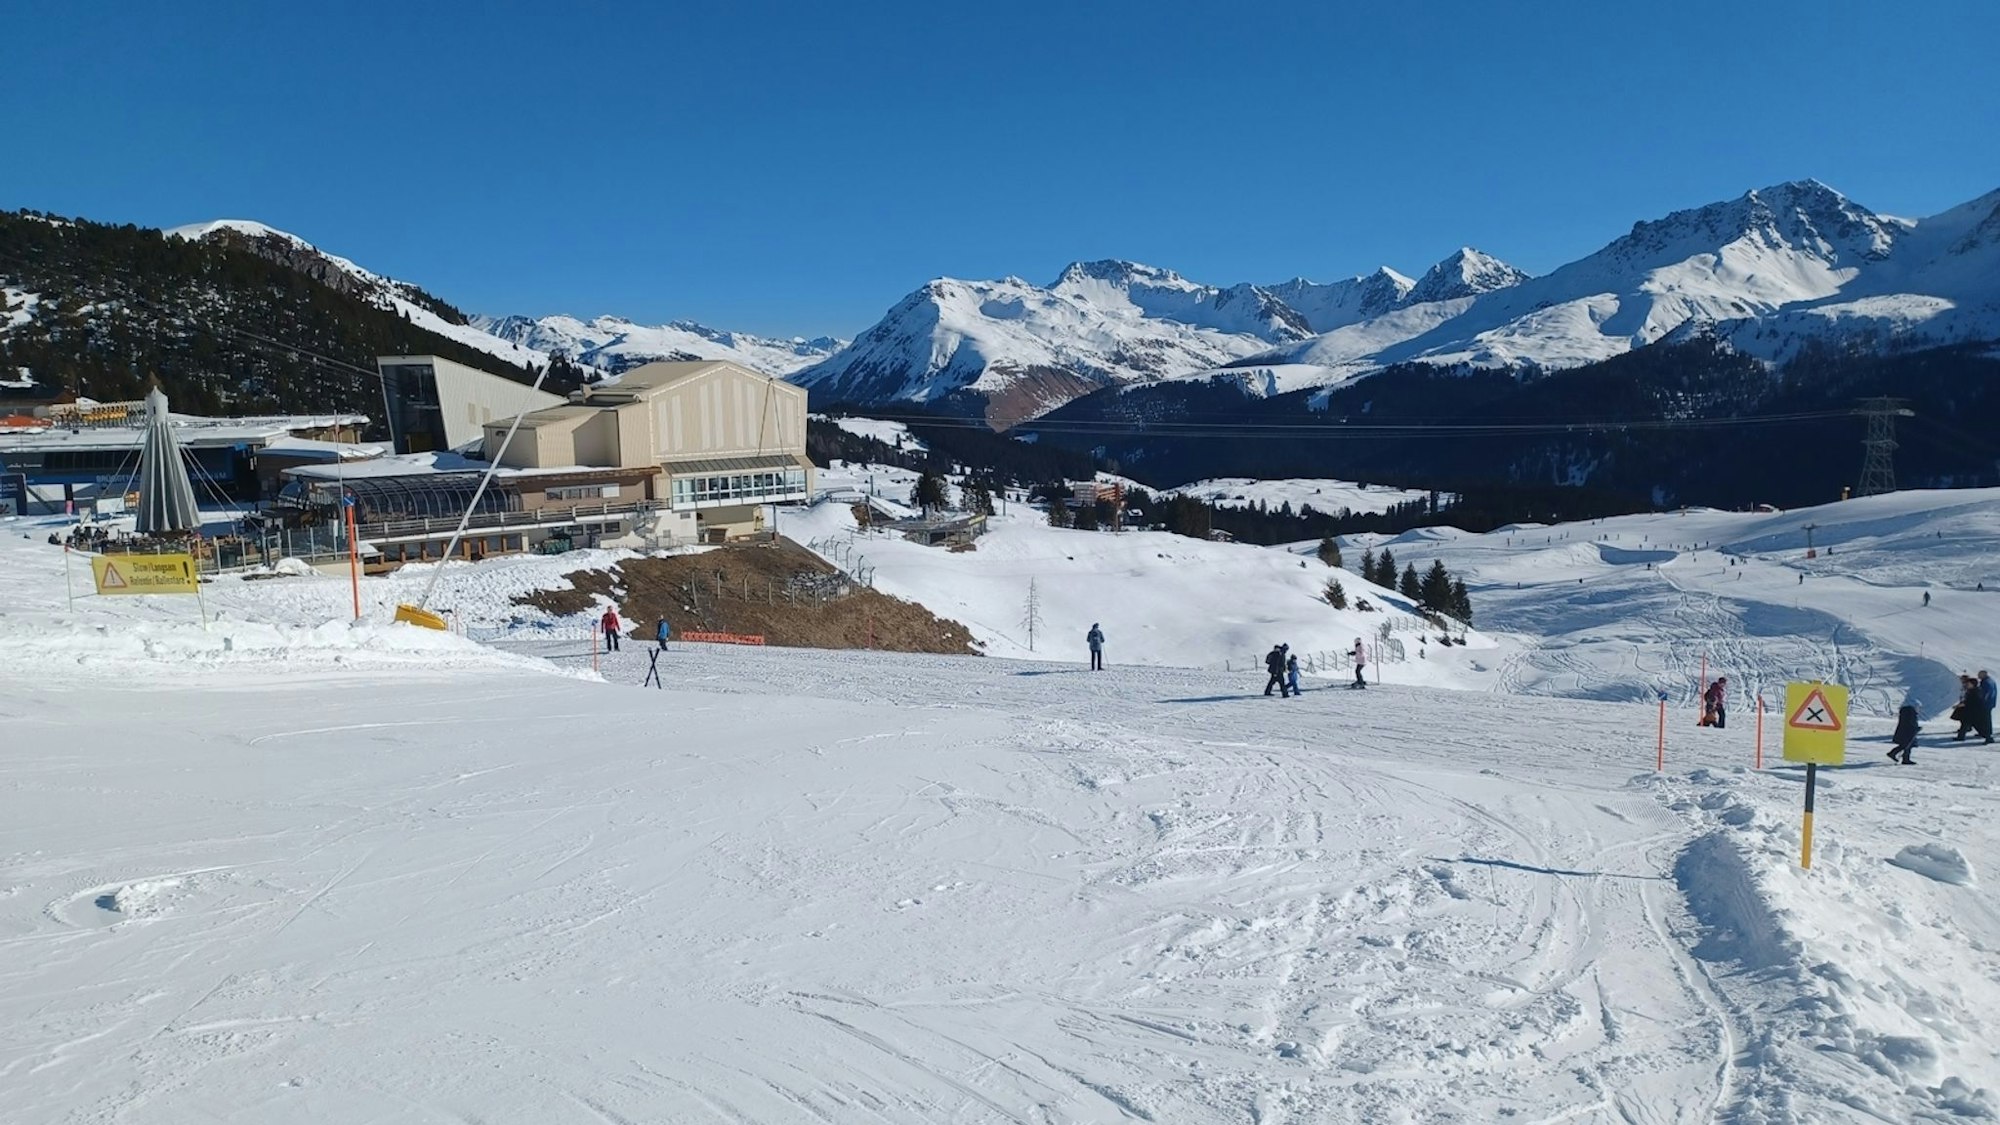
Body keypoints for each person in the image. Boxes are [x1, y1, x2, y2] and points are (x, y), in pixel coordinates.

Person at [1888, 698, 1920, 764]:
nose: (1918, 709)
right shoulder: (1910, 712)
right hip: (1908, 732)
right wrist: (1916, 728)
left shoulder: (1906, 711)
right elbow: (1911, 722)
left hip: (1904, 731)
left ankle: (1905, 759)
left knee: (1907, 745)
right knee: (1906, 745)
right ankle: (1893, 754)